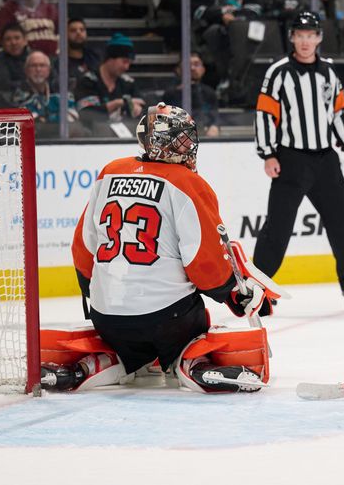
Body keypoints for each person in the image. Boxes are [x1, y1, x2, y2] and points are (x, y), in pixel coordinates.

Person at [65, 103, 273, 393]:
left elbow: (83, 248)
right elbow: (206, 264)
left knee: (124, 342)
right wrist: (232, 294)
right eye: (179, 139)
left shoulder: (109, 173)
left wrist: (95, 292)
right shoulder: (188, 183)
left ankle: (103, 361)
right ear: (158, 141)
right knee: (193, 323)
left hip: (106, 318)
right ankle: (192, 365)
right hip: (166, 320)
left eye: (187, 138)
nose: (186, 146)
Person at [254, 11, 344, 311]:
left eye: (311, 35)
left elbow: (338, 112)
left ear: (319, 38)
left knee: (343, 222)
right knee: (277, 230)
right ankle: (257, 292)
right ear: (292, 37)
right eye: (300, 35)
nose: (305, 41)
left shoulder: (329, 73)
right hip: (290, 159)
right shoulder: (278, 72)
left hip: (325, 160)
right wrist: (268, 153)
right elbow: (265, 114)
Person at [191, 0, 261, 89]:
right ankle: (226, 77)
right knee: (216, 32)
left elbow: (255, 7)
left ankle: (248, 78)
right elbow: (196, 11)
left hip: (239, 28)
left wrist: (236, 16)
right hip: (210, 30)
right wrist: (221, 15)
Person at [75, 33, 145, 131]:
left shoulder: (128, 83)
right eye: (124, 61)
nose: (127, 67)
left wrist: (139, 110)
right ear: (110, 59)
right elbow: (87, 113)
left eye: (129, 63)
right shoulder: (88, 81)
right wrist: (118, 103)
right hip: (92, 138)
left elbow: (143, 104)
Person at [161, 52, 219, 137]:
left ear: (203, 70)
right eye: (188, 65)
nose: (192, 68)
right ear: (179, 70)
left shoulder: (209, 93)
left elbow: (215, 117)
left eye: (196, 64)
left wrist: (214, 126)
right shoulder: (170, 94)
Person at [13, 51, 79, 125]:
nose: (38, 69)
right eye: (33, 66)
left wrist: (45, 120)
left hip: (60, 135)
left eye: (42, 65)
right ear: (26, 70)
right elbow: (27, 123)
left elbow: (72, 117)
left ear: (49, 70)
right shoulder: (19, 92)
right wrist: (55, 118)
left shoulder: (59, 89)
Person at [0, 23, 31, 93]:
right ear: (2, 43)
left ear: (25, 41)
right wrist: (29, 85)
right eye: (8, 39)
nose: (13, 43)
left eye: (17, 38)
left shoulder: (35, 58)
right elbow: (2, 85)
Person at [66, 18, 101, 90]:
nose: (78, 33)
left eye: (82, 30)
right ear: (65, 35)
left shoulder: (95, 58)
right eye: (73, 30)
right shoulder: (59, 62)